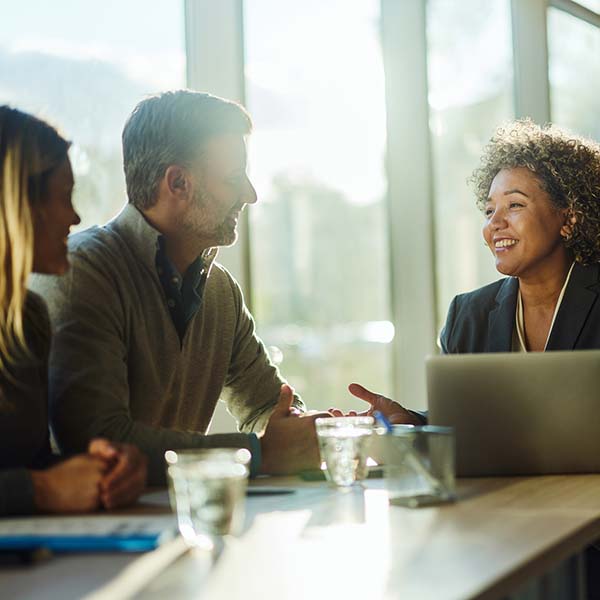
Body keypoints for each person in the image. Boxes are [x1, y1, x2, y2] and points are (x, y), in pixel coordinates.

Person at [30, 90, 341, 485]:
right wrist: (258, 453)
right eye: (232, 178)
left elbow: (267, 402)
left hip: (176, 522)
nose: (250, 194)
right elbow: (97, 439)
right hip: (93, 535)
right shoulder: (83, 272)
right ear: (177, 182)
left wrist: (312, 428)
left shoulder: (220, 291)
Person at [347, 119, 600, 417]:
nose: (495, 223)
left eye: (515, 205)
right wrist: (414, 424)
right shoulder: (467, 315)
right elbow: (460, 424)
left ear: (568, 219)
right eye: (489, 210)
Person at [0, 106, 147, 515]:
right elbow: (33, 483)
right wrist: (40, 490)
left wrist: (107, 469)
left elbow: (26, 465)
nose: (75, 217)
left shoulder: (26, 319)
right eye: (64, 197)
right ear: (17, 205)